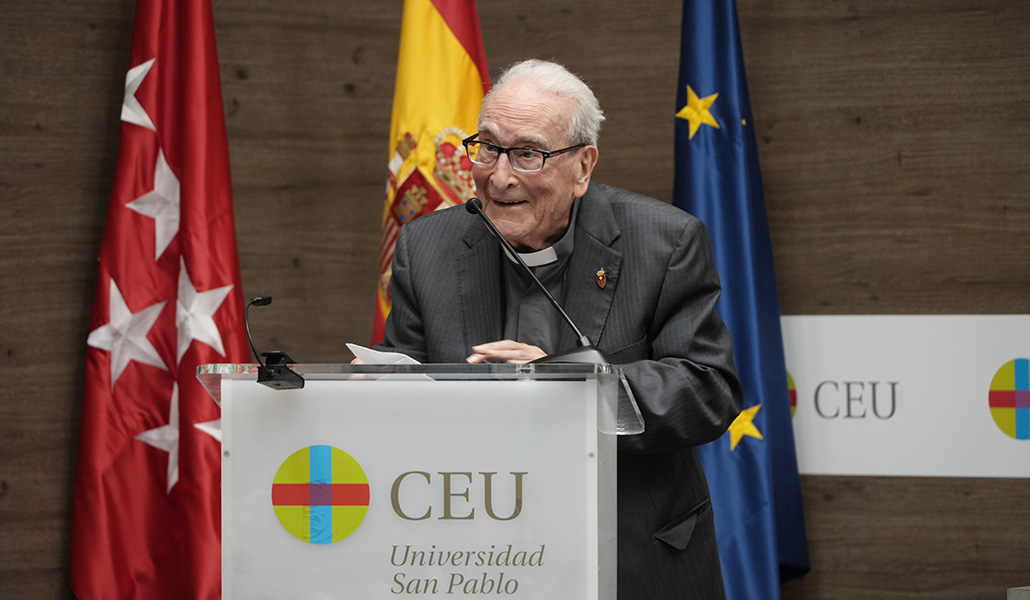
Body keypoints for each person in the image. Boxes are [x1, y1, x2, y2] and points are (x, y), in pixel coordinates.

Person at [375, 59, 743, 599]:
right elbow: (406, 375)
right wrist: (375, 387)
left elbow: (708, 388)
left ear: (583, 166)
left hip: (631, 554)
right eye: (488, 148)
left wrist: (566, 386)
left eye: (527, 154)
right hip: (478, 555)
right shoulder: (426, 247)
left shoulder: (664, 242)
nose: (499, 176)